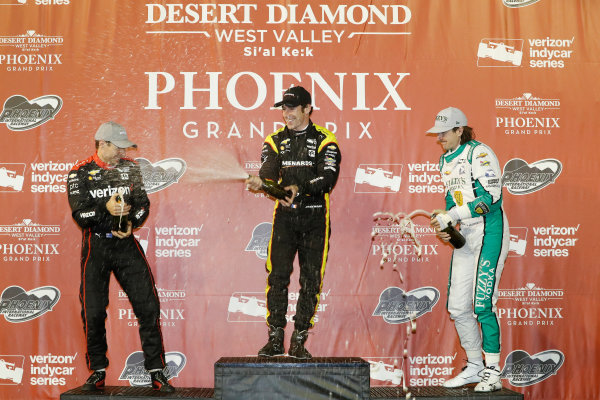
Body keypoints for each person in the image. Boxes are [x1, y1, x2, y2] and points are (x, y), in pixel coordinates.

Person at [67, 121, 174, 392]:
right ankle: (98, 369)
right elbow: (81, 215)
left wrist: (130, 223)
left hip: (126, 247)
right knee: (93, 311)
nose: (122, 153)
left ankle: (156, 370)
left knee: (148, 307)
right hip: (96, 248)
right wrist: (106, 210)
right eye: (118, 147)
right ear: (102, 144)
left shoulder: (130, 168)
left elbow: (143, 205)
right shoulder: (80, 172)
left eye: (125, 148)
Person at [245, 86, 341, 359]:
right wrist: (262, 183)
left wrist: (299, 188)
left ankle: (299, 339)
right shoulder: (274, 140)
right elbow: (268, 173)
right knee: (277, 277)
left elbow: (327, 179)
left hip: (315, 219)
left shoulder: (326, 140)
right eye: (283, 109)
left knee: (311, 280)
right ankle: (275, 337)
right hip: (285, 220)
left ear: (307, 108)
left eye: (292, 108)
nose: (286, 113)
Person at [427, 107, 509, 392]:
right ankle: (475, 366)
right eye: (437, 133)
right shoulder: (444, 160)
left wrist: (456, 215)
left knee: (482, 304)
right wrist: (445, 220)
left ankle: (493, 371)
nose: (440, 138)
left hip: (490, 230)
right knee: (458, 307)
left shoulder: (480, 153)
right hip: (467, 235)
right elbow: (452, 198)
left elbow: (492, 199)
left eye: (444, 132)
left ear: (459, 130)